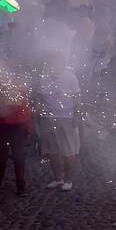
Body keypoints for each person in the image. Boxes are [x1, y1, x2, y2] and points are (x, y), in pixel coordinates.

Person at [35, 42, 81, 191]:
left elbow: (77, 98)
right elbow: (40, 96)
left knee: (69, 151)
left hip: (66, 117)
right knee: (52, 151)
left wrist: (77, 116)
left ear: (62, 62)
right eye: (50, 62)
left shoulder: (70, 77)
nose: (52, 64)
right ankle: (58, 179)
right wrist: (38, 107)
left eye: (55, 61)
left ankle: (68, 180)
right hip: (48, 118)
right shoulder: (44, 77)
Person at [0, 83, 32, 196]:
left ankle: (20, 187)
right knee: (0, 159)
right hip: (2, 125)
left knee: (19, 159)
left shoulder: (22, 83)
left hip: (18, 125)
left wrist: (28, 126)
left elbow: (26, 106)